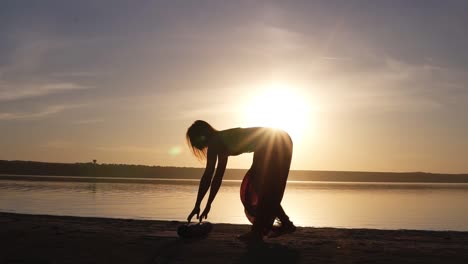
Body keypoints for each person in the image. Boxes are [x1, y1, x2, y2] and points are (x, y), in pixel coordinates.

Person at [186, 120, 296, 241]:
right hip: (282, 139)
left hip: (272, 142)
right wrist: (207, 204)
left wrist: (198, 205)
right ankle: (284, 224)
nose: (195, 144)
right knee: (265, 188)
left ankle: (259, 232)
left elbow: (208, 176)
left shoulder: (214, 142)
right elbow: (217, 177)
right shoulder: (220, 141)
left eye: (194, 140)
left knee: (259, 186)